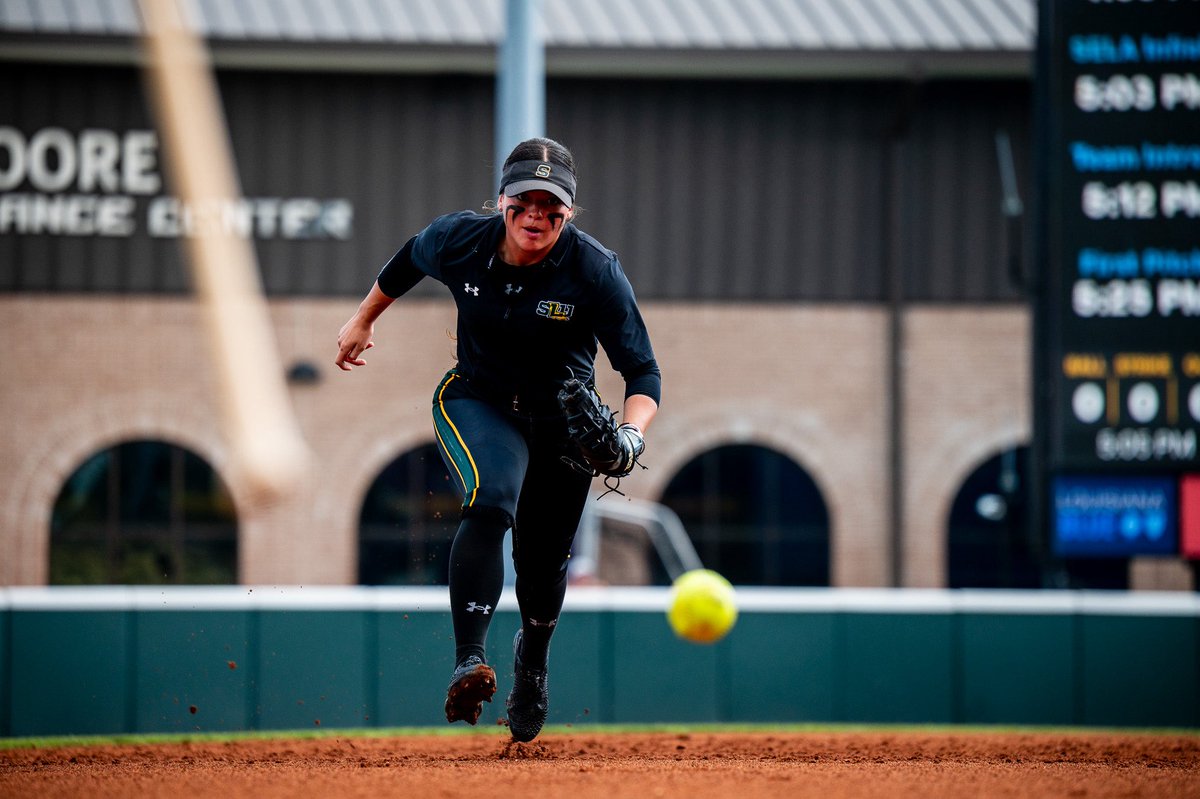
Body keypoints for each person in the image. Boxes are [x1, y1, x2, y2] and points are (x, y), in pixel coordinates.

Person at [334, 137, 661, 742]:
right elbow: (409, 258)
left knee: (542, 565)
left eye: (551, 205)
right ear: (503, 200)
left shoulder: (594, 269)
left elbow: (643, 374)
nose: (536, 214)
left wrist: (630, 437)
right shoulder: (460, 239)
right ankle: (469, 661)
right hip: (478, 399)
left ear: (569, 211)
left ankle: (531, 665)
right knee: (491, 498)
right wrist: (364, 317)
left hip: (563, 426)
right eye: (524, 201)